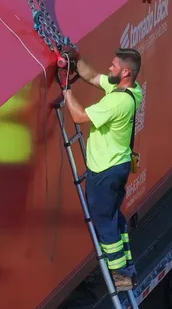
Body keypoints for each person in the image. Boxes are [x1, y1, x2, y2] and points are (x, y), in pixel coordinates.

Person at [59, 47, 144, 291]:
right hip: (118, 166)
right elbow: (93, 76)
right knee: (114, 217)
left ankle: (120, 275)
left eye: (114, 66)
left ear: (125, 71)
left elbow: (78, 116)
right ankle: (126, 265)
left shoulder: (116, 103)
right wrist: (76, 59)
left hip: (105, 170)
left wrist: (65, 89)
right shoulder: (131, 91)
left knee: (102, 219)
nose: (110, 68)